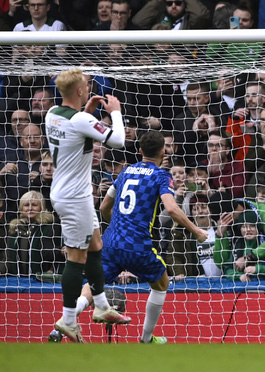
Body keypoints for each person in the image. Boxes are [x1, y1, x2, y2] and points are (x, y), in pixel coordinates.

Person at [95, 131, 208, 343]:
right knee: (161, 283)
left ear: (140, 151)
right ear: (163, 151)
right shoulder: (161, 175)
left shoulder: (125, 171)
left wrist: (120, 226)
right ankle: (146, 339)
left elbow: (103, 207)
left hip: (112, 240)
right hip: (138, 244)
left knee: (94, 283)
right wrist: (197, 230)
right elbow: (172, 209)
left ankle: (67, 320)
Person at [45, 67, 129, 343]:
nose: (89, 87)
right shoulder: (79, 119)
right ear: (80, 91)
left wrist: (90, 113)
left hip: (66, 191)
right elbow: (117, 141)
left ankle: (102, 306)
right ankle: (68, 320)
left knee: (95, 246)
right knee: (76, 258)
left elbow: (77, 130)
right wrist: (114, 111)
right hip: (74, 197)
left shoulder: (53, 114)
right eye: (87, 84)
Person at [213, 198, 265, 282]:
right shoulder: (237, 244)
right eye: (244, 226)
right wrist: (239, 276)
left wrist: (257, 269)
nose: (248, 230)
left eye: (252, 226)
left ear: (258, 227)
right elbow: (227, 268)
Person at [5, 190, 64, 276]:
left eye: (34, 205)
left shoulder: (49, 227)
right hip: (17, 280)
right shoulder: (14, 228)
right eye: (26, 205)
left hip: (41, 280)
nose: (30, 208)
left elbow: (50, 252)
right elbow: (8, 256)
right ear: (21, 208)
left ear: (41, 207)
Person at [132, 0, 210, 30]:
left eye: (178, 3)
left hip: (184, 58)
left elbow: (200, 16)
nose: (173, 6)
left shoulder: (189, 19)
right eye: (169, 3)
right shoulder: (159, 16)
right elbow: (139, 21)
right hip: (161, 58)